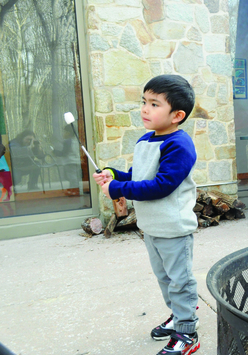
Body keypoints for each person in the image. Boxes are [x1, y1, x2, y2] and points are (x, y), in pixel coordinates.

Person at [93, 74, 200, 355]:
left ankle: (188, 332)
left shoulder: (179, 145)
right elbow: (140, 176)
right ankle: (178, 316)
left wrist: (119, 188)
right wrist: (115, 174)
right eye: (144, 101)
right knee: (165, 279)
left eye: (154, 104)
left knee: (180, 281)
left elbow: (161, 185)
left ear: (177, 115)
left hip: (174, 228)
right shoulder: (145, 141)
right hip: (152, 227)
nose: (144, 109)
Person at [52, 125, 82, 196]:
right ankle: (74, 189)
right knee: (75, 176)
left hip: (70, 162)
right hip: (76, 161)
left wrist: (55, 152)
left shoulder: (67, 141)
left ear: (68, 133)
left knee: (72, 177)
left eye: (64, 132)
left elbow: (64, 153)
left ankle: (74, 190)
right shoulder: (75, 140)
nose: (63, 134)